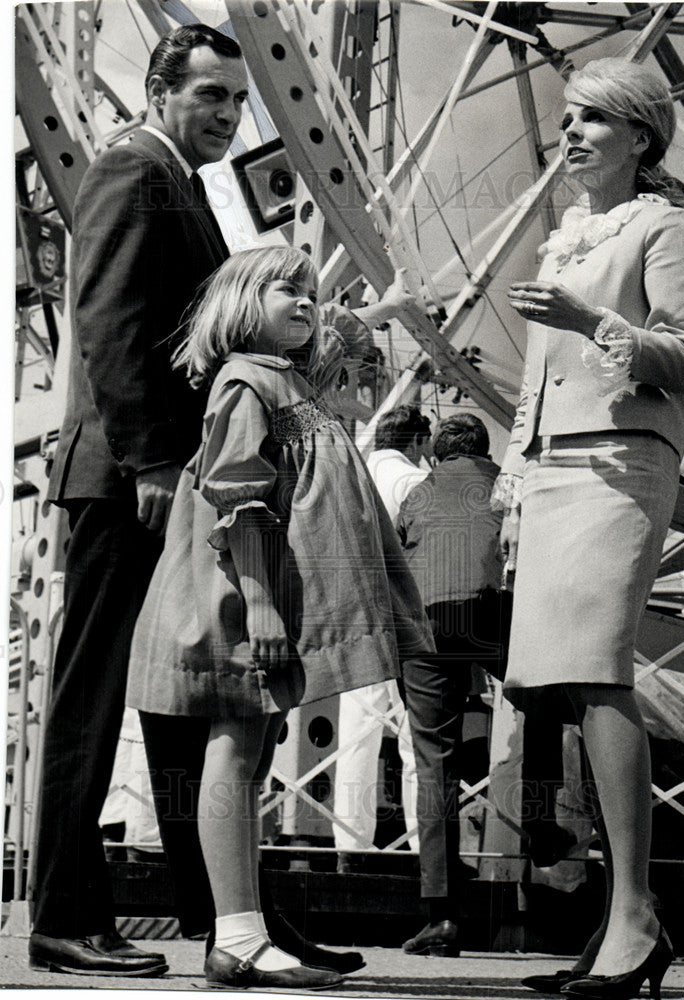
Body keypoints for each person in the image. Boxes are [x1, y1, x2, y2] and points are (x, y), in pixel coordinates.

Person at [29, 24, 356, 979]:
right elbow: (109, 326)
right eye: (211, 96)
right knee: (91, 701)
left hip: (166, 476)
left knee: (184, 704)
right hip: (128, 479)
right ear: (161, 90)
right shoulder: (133, 172)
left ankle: (231, 919)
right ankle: (65, 915)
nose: (227, 115)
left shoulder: (176, 180)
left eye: (238, 101)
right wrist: (148, 466)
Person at [125, 245, 435, 990]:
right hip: (241, 597)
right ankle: (234, 935)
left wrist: (380, 310)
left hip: (263, 595)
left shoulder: (292, 378)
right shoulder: (244, 382)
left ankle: (242, 930)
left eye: (310, 291)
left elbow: (346, 339)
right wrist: (262, 605)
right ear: (239, 303)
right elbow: (238, 501)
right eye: (285, 290)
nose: (305, 302)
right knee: (234, 750)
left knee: (253, 753)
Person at [495, 58, 684, 1000]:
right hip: (553, 467)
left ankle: (634, 916)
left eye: (592, 119)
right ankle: (621, 922)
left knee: (594, 671)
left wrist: (591, 321)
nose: (570, 131)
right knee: (566, 688)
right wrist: (512, 475)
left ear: (640, 135)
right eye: (567, 117)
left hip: (620, 464)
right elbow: (535, 379)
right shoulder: (567, 234)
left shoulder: (666, 226)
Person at [396, 413, 511, 956]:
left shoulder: (417, 495)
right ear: (485, 450)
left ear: (436, 455)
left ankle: (440, 916)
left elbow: (392, 564)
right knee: (553, 698)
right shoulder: (501, 485)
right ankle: (543, 821)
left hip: (422, 625)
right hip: (487, 613)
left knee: (432, 762)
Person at [332, 404, 431, 870]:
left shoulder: (352, 473)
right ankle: (418, 845)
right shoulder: (413, 481)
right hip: (401, 618)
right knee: (414, 738)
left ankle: (350, 845)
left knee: (357, 732)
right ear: (417, 442)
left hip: (350, 614)